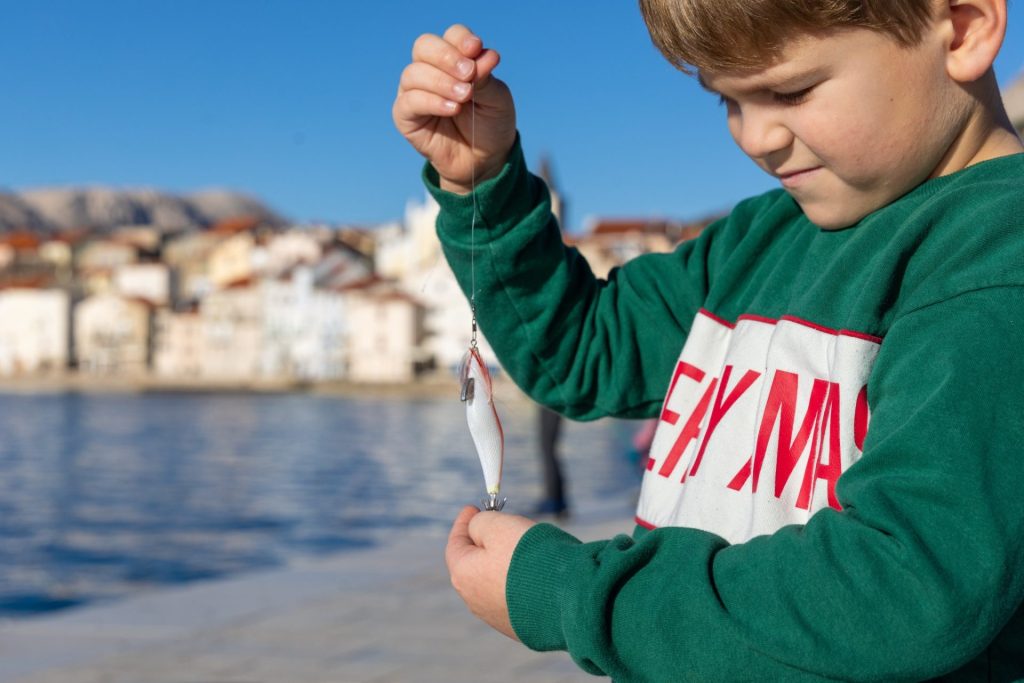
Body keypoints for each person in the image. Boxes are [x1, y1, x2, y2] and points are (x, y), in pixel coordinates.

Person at [392, 1, 1024, 679]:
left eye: (790, 91)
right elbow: (582, 350)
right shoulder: (758, 239)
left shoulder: (995, 262)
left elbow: (903, 590)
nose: (755, 137)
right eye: (727, 99)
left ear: (961, 27)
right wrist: (484, 181)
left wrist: (576, 593)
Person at [535, 405, 569, 518]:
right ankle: (557, 500)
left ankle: (554, 500)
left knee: (547, 447)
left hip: (550, 403)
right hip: (552, 402)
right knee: (549, 448)